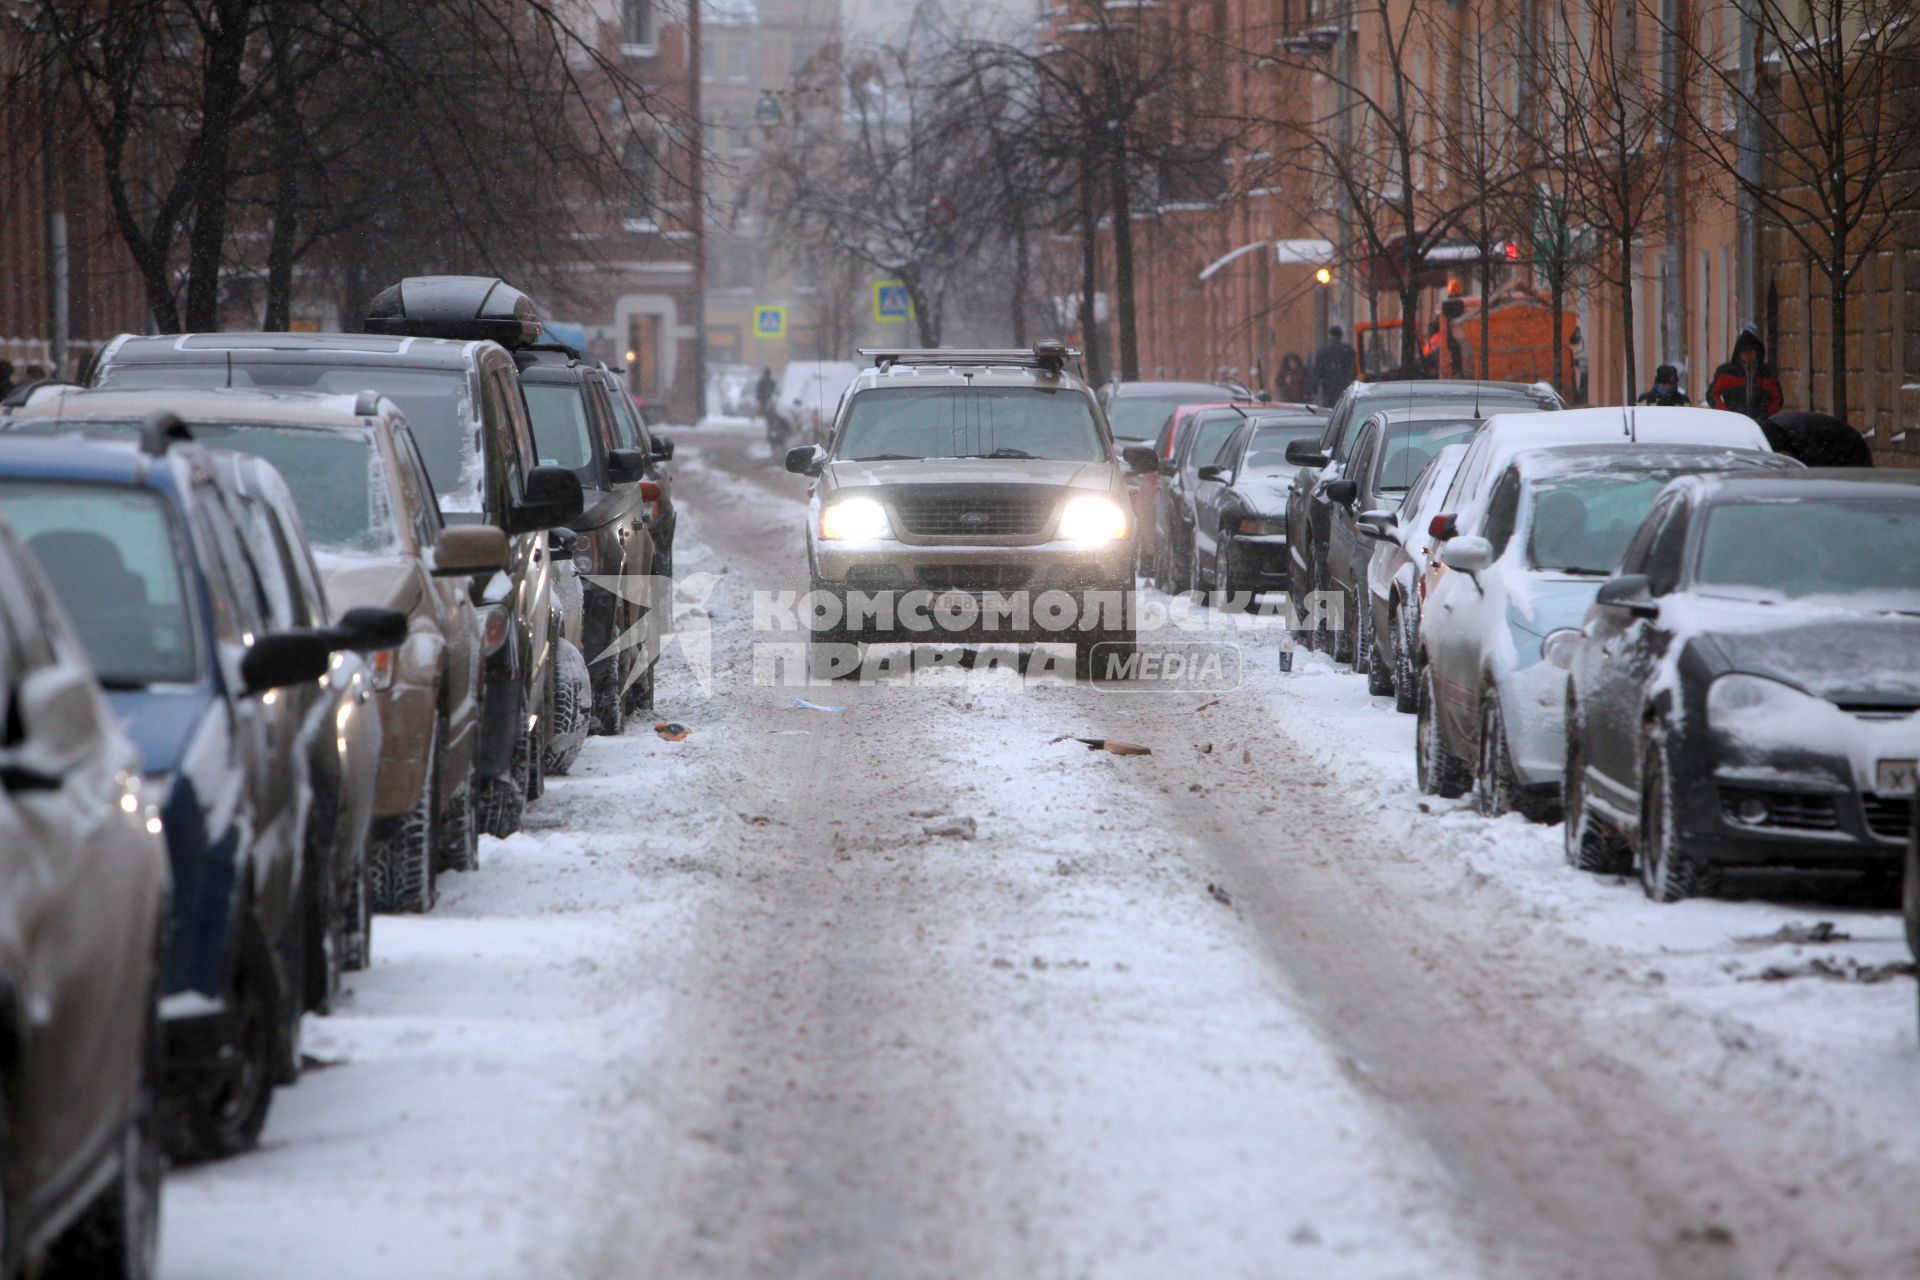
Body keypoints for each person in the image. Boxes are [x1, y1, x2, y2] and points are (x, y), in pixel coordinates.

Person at [1706, 329, 1784, 421]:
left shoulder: (1767, 373)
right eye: (1745, 351)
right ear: (1739, 353)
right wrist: (1726, 412)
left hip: (1761, 423)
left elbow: (1777, 399)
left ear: (1757, 352)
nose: (1748, 355)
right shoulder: (1726, 372)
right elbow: (1712, 394)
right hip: (1733, 421)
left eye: (1751, 351)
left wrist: (1765, 414)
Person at [1312, 327, 1356, 407]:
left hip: (1328, 385)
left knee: (1330, 407)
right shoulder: (1347, 349)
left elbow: (1318, 370)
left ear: (1330, 335)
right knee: (1344, 406)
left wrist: (1315, 387)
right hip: (1344, 383)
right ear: (1341, 335)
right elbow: (1353, 367)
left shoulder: (1323, 350)